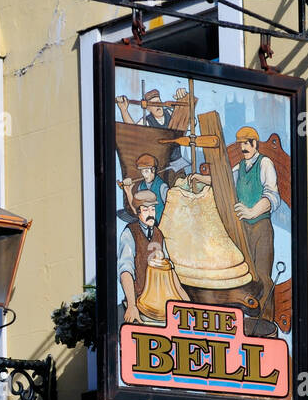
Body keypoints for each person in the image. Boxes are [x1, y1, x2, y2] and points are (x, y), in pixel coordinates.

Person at [190, 126, 280, 325]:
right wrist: (201, 179)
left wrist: (251, 211)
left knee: (262, 277)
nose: (244, 147)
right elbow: (224, 182)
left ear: (255, 144)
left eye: (247, 143)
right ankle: (248, 321)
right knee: (245, 276)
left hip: (261, 227)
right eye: (241, 144)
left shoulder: (265, 164)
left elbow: (272, 196)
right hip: (243, 229)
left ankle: (265, 321)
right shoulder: (240, 166)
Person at [117, 190, 182, 325]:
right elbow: (125, 271)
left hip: (161, 305)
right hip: (139, 303)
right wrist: (131, 305)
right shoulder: (130, 233)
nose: (150, 213)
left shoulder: (158, 233)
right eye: (146, 210)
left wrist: (188, 305)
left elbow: (170, 270)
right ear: (138, 212)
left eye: (152, 209)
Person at [116, 88, 189, 128]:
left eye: (158, 102)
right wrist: (124, 110)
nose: (158, 106)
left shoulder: (171, 113)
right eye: (153, 104)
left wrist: (184, 97)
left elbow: (190, 122)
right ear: (148, 109)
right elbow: (133, 131)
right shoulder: (146, 121)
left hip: (176, 156)